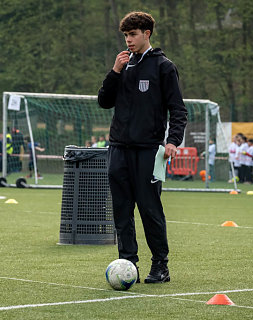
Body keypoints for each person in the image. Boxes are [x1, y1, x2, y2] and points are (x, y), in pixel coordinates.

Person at [98, 11, 187, 283]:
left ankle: (161, 266)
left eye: (133, 34)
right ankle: (128, 264)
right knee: (122, 211)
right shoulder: (123, 65)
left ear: (147, 34)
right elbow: (104, 101)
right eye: (125, 35)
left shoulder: (163, 66)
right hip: (118, 149)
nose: (128, 40)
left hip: (149, 151)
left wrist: (172, 141)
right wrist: (114, 71)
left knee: (150, 209)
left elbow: (178, 110)